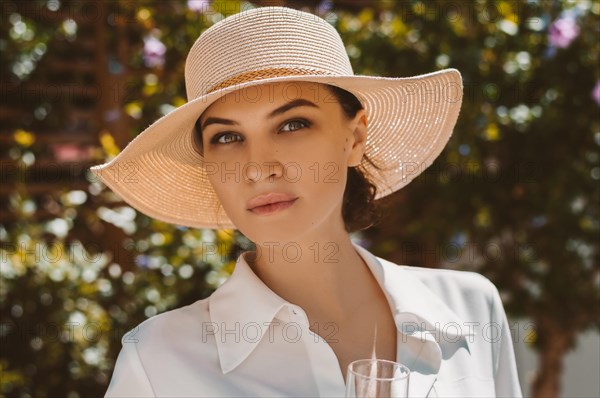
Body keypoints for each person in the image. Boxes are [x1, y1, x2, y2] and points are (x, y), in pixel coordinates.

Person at [91, 6, 523, 398]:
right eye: (226, 137)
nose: (258, 167)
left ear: (353, 139)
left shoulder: (469, 311)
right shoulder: (158, 364)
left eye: (292, 124)